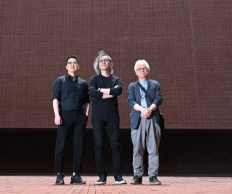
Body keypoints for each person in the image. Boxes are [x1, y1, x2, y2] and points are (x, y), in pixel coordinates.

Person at [88, 51, 126, 185]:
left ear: (110, 64)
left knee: (115, 145)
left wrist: (100, 91)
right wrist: (110, 91)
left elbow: (118, 91)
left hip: (112, 117)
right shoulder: (93, 79)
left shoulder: (116, 79)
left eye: (106, 60)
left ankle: (118, 175)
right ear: (98, 65)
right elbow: (92, 93)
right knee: (99, 146)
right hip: (97, 117)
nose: (103, 62)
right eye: (101, 61)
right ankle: (102, 175)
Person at [52, 55, 90, 185]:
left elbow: (86, 101)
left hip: (79, 117)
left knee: (78, 146)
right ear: (66, 66)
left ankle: (76, 175)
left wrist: (85, 115)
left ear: (78, 66)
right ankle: (59, 175)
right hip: (64, 116)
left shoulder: (83, 83)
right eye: (70, 63)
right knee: (61, 146)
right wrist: (57, 115)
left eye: (75, 63)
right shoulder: (60, 81)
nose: (72, 65)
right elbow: (55, 99)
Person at [127, 59, 163, 185]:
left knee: (153, 149)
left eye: (144, 68)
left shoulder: (155, 84)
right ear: (136, 72)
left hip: (152, 119)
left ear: (148, 70)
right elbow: (131, 100)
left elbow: (158, 99)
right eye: (139, 69)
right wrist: (142, 110)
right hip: (138, 119)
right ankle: (137, 175)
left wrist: (149, 109)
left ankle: (153, 175)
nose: (142, 70)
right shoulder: (132, 86)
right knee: (137, 149)